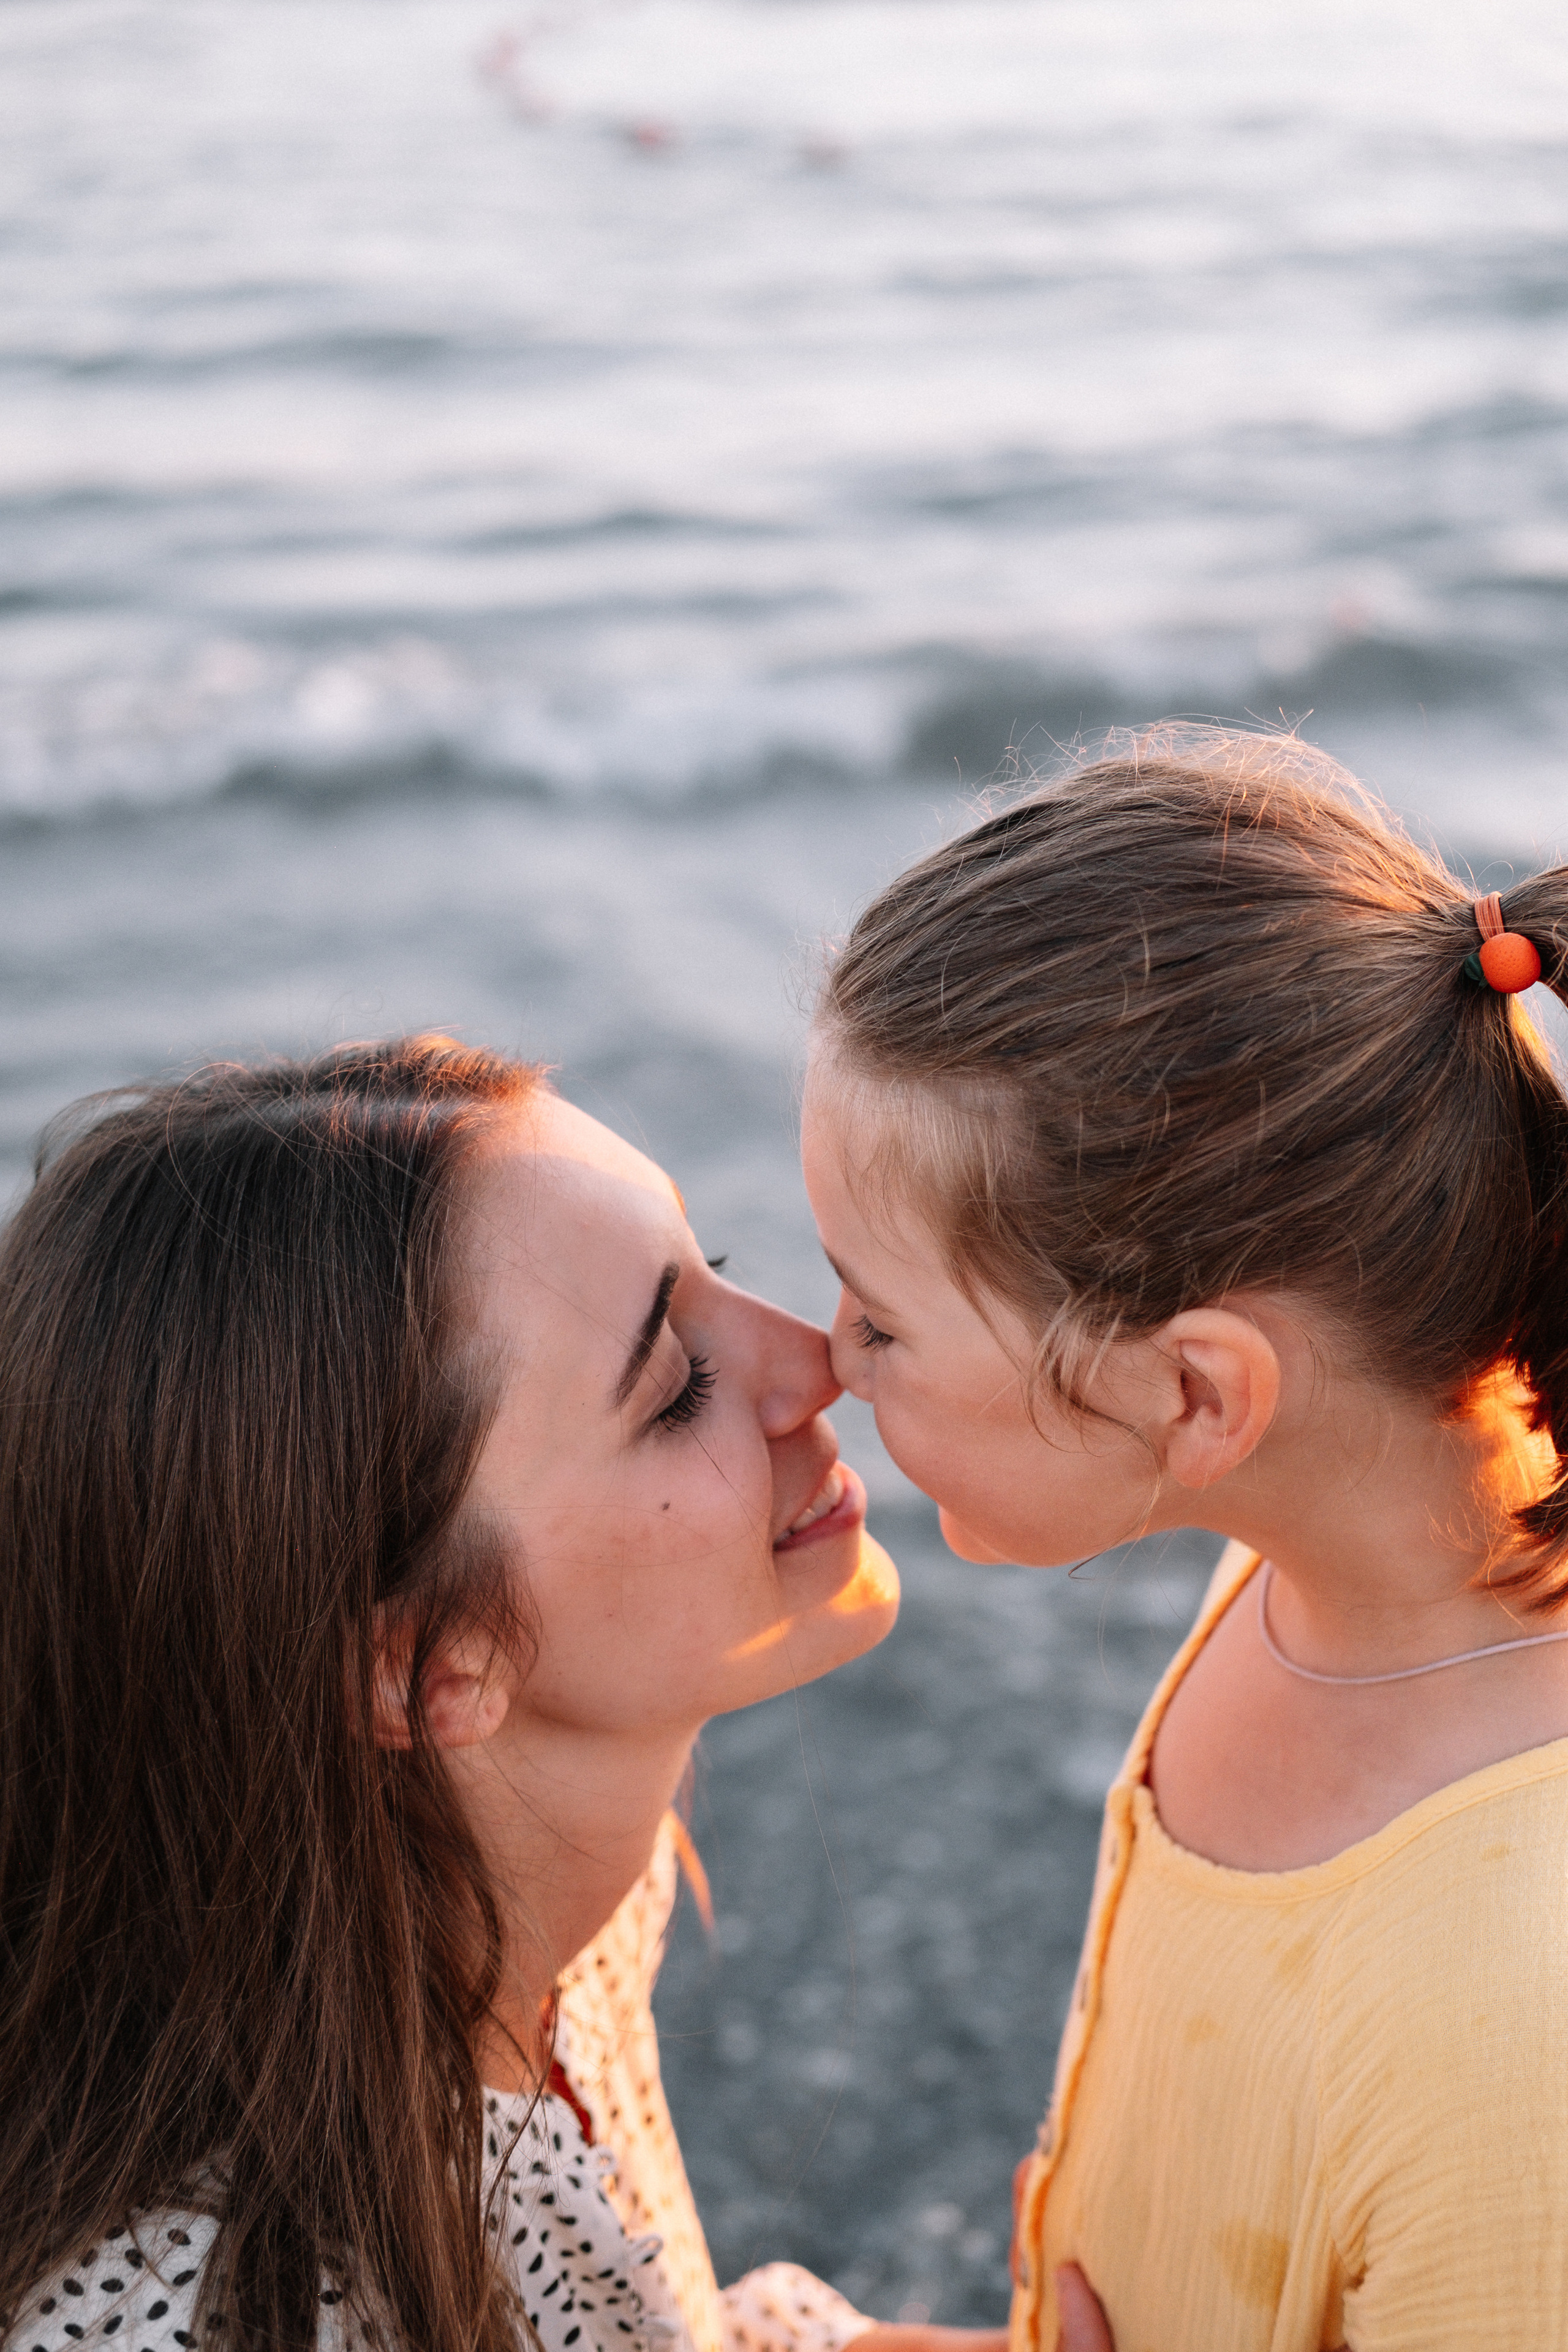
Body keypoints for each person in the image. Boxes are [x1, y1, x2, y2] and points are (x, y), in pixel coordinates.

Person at [0, 1036, 1028, 2352]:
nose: (818, 1360)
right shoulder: (226, 2314)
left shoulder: (529, 1881)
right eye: (676, 1387)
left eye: (717, 1274)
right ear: (425, 1668)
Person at [801, 731, 1568, 2351]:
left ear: (1195, 1393)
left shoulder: (1520, 2037)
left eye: (881, 1319)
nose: (821, 1364)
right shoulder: (1302, 1576)